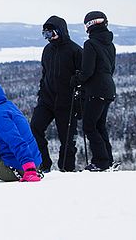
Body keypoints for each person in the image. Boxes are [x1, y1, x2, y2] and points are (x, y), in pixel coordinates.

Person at [30, 16, 83, 172]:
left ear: (60, 31)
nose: (48, 38)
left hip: (67, 102)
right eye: (45, 34)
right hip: (47, 100)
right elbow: (45, 74)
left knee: (67, 139)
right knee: (34, 128)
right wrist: (41, 93)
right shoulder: (47, 50)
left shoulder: (75, 51)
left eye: (51, 33)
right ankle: (44, 164)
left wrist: (80, 103)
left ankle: (66, 169)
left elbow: (84, 78)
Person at [71, 11, 117, 172]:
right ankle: (108, 160)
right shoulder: (110, 44)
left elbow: (87, 71)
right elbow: (111, 68)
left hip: (96, 89)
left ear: (89, 26)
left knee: (90, 126)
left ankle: (101, 161)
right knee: (100, 125)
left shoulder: (90, 44)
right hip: (108, 88)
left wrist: (77, 79)